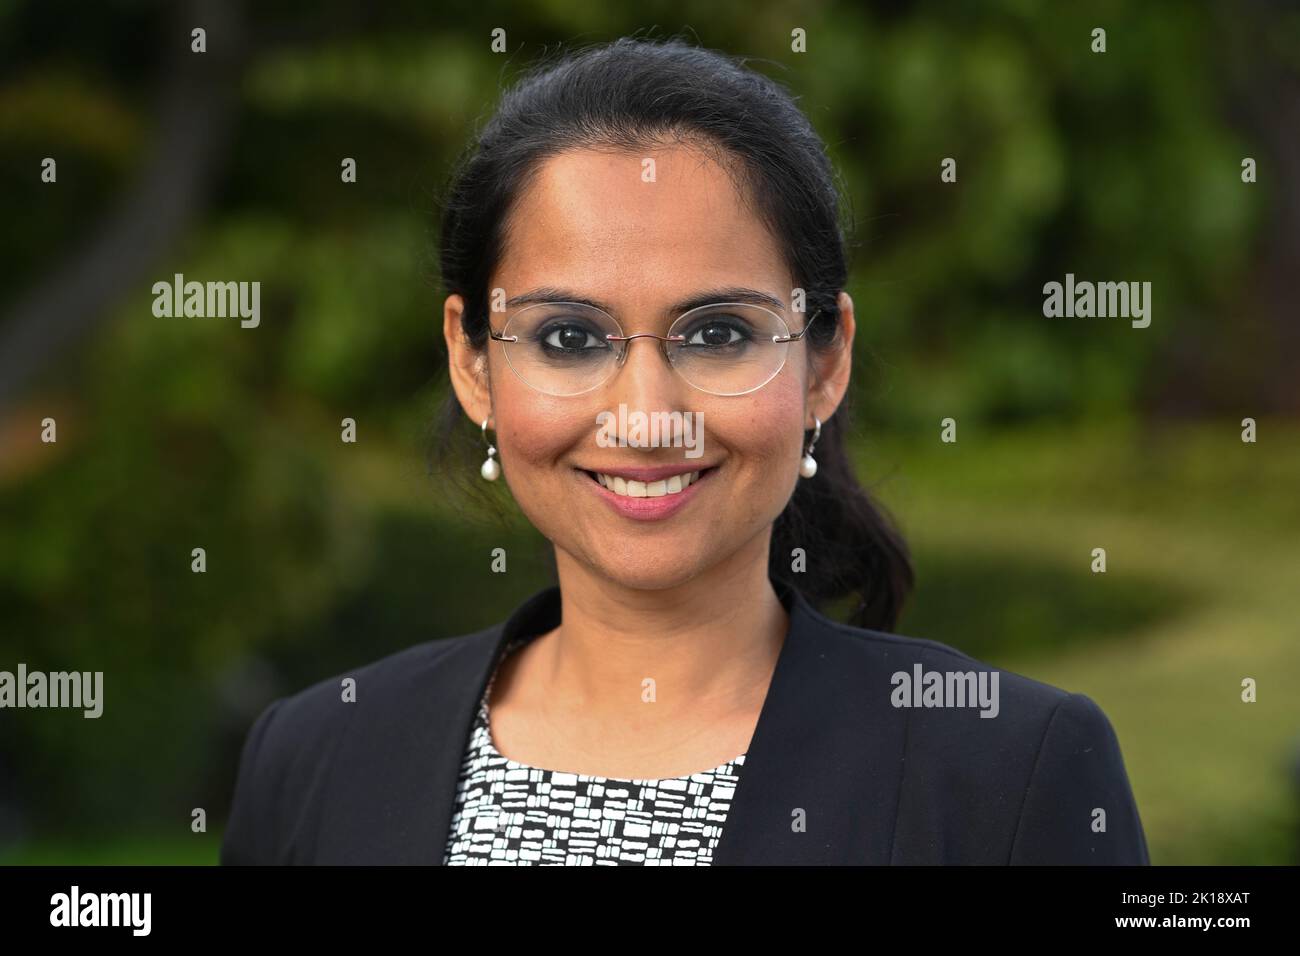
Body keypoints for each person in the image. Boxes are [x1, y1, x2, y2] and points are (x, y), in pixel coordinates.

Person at [220, 36, 1149, 866]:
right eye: (568, 339)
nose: (647, 414)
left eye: (717, 335)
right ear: (472, 363)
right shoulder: (321, 757)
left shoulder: (1008, 773)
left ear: (825, 361)